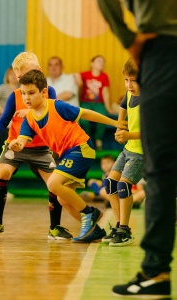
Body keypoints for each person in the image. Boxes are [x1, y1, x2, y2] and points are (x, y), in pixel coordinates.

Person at [97, 0, 176, 297]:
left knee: (161, 172)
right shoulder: (126, 99)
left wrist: (127, 38)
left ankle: (156, 272)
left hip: (163, 48)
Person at [8, 69, 128, 242]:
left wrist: (115, 122)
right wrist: (16, 144)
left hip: (81, 147)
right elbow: (21, 140)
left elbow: (87, 113)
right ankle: (94, 230)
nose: (27, 97)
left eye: (31, 93)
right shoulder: (29, 119)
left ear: (43, 92)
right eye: (23, 93)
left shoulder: (57, 106)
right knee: (63, 199)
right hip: (66, 154)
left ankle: (89, 212)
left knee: (53, 183)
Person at [0, 52, 76, 240]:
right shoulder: (15, 96)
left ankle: (55, 227)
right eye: (21, 78)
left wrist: (33, 110)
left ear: (39, 72)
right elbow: (4, 119)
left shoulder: (49, 92)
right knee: (1, 171)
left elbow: (52, 112)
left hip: (41, 148)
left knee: (55, 184)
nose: (26, 81)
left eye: (29, 74)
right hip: (16, 145)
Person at [102, 58, 144, 247]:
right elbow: (123, 106)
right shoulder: (130, 95)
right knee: (110, 183)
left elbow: (150, 132)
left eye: (133, 80)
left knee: (123, 186)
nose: (129, 85)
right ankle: (119, 226)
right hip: (128, 149)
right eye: (126, 80)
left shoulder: (150, 100)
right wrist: (120, 126)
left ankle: (125, 231)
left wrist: (128, 135)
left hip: (142, 153)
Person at [75, 55, 115, 150]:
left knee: (102, 118)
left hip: (98, 103)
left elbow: (105, 93)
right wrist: (77, 77)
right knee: (84, 120)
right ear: (92, 63)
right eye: (99, 61)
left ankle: (98, 139)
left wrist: (108, 108)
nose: (101, 63)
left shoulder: (104, 76)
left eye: (103, 62)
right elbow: (76, 78)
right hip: (86, 102)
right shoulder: (84, 75)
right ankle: (88, 140)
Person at [0, 67, 19, 177]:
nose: (12, 76)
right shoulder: (3, 88)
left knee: (10, 158)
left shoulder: (22, 91)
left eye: (15, 74)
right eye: (10, 74)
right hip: (3, 128)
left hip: (16, 130)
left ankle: (3, 183)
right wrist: (2, 112)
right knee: (1, 156)